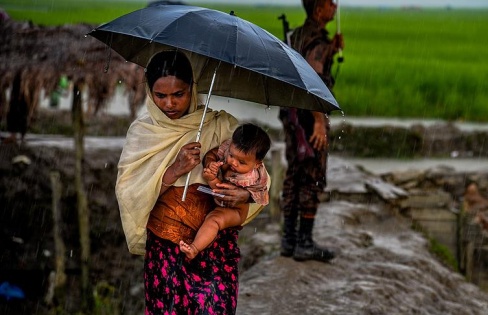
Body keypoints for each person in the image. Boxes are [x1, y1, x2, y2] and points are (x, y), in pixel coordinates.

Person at [115, 50, 265, 314]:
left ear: (192, 90)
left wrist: (243, 196)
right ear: (150, 93)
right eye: (160, 96)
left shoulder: (220, 126)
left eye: (179, 94)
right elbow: (130, 193)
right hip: (166, 246)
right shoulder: (144, 133)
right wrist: (175, 170)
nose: (170, 104)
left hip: (214, 247)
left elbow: (258, 173)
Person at [278, 0, 344, 262]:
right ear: (318, 9)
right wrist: (318, 119)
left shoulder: (299, 34)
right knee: (313, 174)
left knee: (295, 172)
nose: (335, 7)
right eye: (330, 3)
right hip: (309, 116)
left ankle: (289, 239)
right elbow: (312, 80)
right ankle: (304, 241)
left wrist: (332, 49)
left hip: (293, 114)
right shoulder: (316, 40)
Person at [180, 123, 271, 260]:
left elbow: (220, 190)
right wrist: (211, 163)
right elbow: (214, 153)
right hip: (219, 199)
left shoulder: (250, 177)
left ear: (257, 163)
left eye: (241, 162)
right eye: (231, 155)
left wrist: (211, 178)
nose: (233, 163)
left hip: (235, 211)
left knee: (214, 219)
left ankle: (194, 248)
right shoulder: (229, 149)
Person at [5, 70, 29, 144]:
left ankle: (18, 136)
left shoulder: (23, 79)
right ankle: (16, 136)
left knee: (20, 116)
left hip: (20, 99)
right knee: (16, 116)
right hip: (18, 98)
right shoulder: (20, 79)